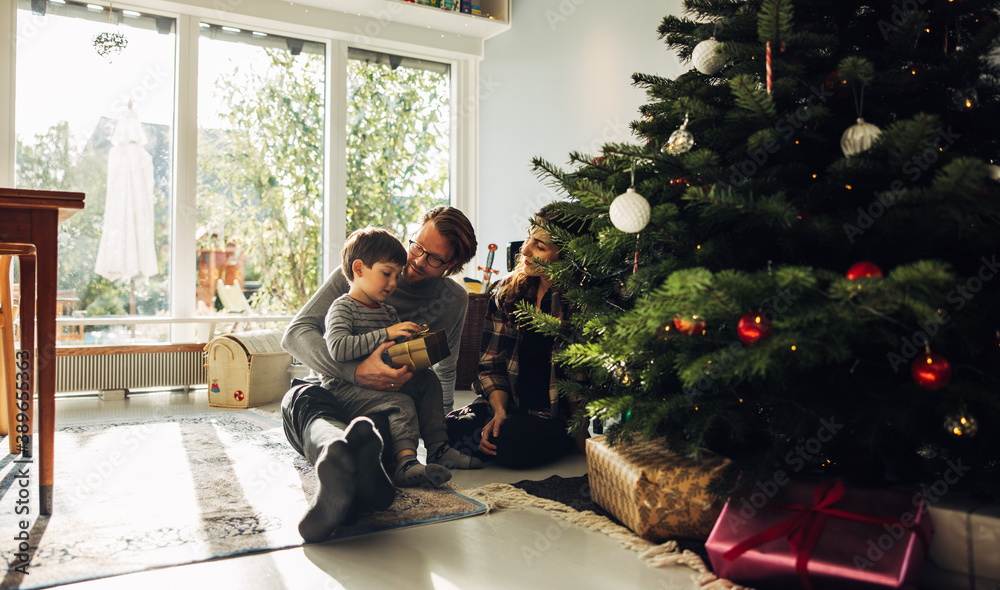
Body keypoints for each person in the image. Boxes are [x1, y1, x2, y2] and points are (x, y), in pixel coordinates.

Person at [280, 206, 477, 542]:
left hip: (388, 406)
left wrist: (439, 436)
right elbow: (295, 333)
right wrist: (357, 373)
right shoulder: (368, 265)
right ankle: (337, 455)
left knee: (387, 430)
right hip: (330, 392)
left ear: (451, 267)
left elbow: (445, 370)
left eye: (433, 259)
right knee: (302, 399)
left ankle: (353, 483)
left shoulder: (454, 298)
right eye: (417, 246)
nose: (417, 261)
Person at [322, 226, 480, 491]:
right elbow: (338, 347)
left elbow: (393, 349)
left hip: (379, 382)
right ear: (358, 269)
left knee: (428, 380)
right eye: (387, 274)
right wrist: (386, 333)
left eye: (396, 275)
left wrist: (414, 345)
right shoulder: (343, 306)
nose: (394, 283)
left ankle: (439, 447)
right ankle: (406, 464)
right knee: (401, 402)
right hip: (344, 389)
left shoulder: (388, 311)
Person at [446, 204, 587, 469]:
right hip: (508, 406)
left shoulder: (580, 305)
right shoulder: (506, 292)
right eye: (528, 238)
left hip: (551, 417)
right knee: (449, 428)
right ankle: (496, 435)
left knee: (513, 444)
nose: (525, 250)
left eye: (540, 247)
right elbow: (491, 365)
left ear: (567, 257)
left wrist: (580, 434)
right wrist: (499, 413)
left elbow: (582, 381)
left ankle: (507, 442)